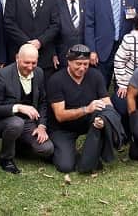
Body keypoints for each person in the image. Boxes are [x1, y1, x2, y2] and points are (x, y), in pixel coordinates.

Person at [47, 44, 122, 173]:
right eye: (78, 64)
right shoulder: (56, 80)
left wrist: (103, 120)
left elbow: (108, 104)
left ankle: (91, 157)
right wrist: (86, 109)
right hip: (62, 128)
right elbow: (60, 115)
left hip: (88, 123)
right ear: (69, 62)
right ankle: (64, 152)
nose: (82, 68)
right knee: (65, 166)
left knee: (105, 115)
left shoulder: (96, 76)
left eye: (85, 64)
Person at [0, 44, 54, 174]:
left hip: (29, 122)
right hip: (4, 120)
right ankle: (6, 158)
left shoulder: (39, 73)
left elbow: (43, 102)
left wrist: (41, 126)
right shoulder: (2, 75)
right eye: (26, 62)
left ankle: (19, 145)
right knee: (16, 123)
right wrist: (18, 107)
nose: (30, 67)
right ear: (17, 58)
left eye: (33, 63)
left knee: (47, 149)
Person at [84, 0, 138, 84]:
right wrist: (92, 51)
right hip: (102, 51)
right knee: (101, 86)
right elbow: (89, 25)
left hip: (125, 49)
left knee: (123, 87)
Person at [4, 0, 61, 77]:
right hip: (19, 55)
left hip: (44, 58)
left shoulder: (51, 0)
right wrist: (27, 44)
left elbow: (55, 25)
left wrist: (39, 42)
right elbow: (9, 23)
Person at [54, 0, 86, 69]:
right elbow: (51, 30)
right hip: (62, 56)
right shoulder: (55, 4)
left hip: (83, 56)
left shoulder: (87, 2)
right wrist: (53, 54)